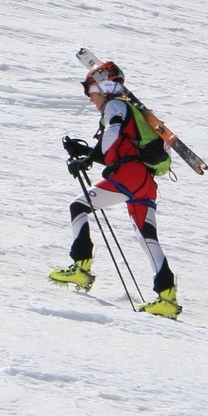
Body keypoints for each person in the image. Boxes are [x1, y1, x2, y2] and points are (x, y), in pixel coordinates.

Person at [49, 60, 181, 319]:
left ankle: (81, 268)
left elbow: (113, 132)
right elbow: (119, 148)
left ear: (103, 86)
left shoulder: (114, 105)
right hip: (143, 179)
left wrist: (87, 160)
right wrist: (86, 152)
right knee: (146, 236)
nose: (90, 99)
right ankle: (167, 297)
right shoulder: (123, 106)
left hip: (129, 175)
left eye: (91, 91)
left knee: (79, 206)